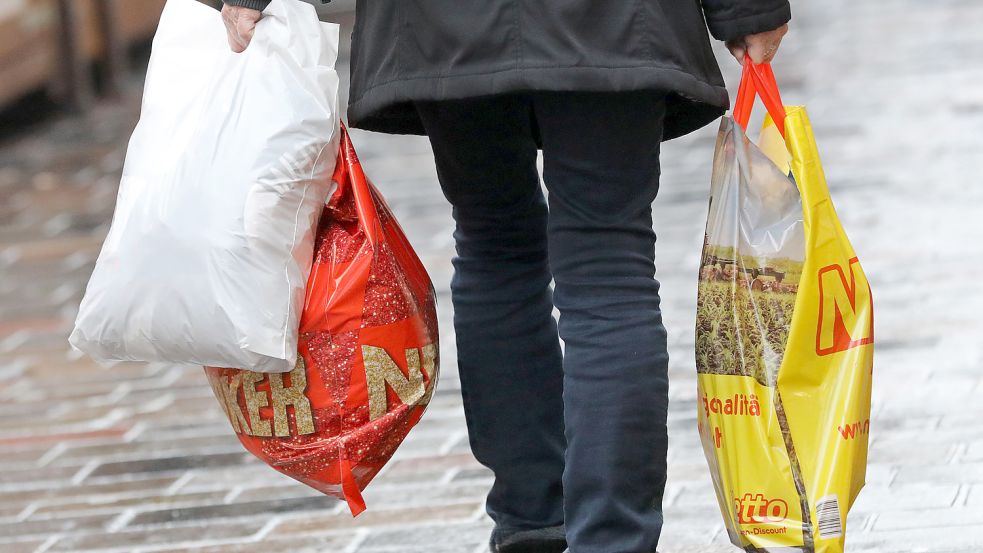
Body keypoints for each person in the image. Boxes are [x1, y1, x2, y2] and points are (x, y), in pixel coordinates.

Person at [220, 1, 789, 552]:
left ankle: (531, 514)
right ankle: (612, 538)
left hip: (446, 24)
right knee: (608, 268)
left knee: (494, 245)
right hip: (613, 21)